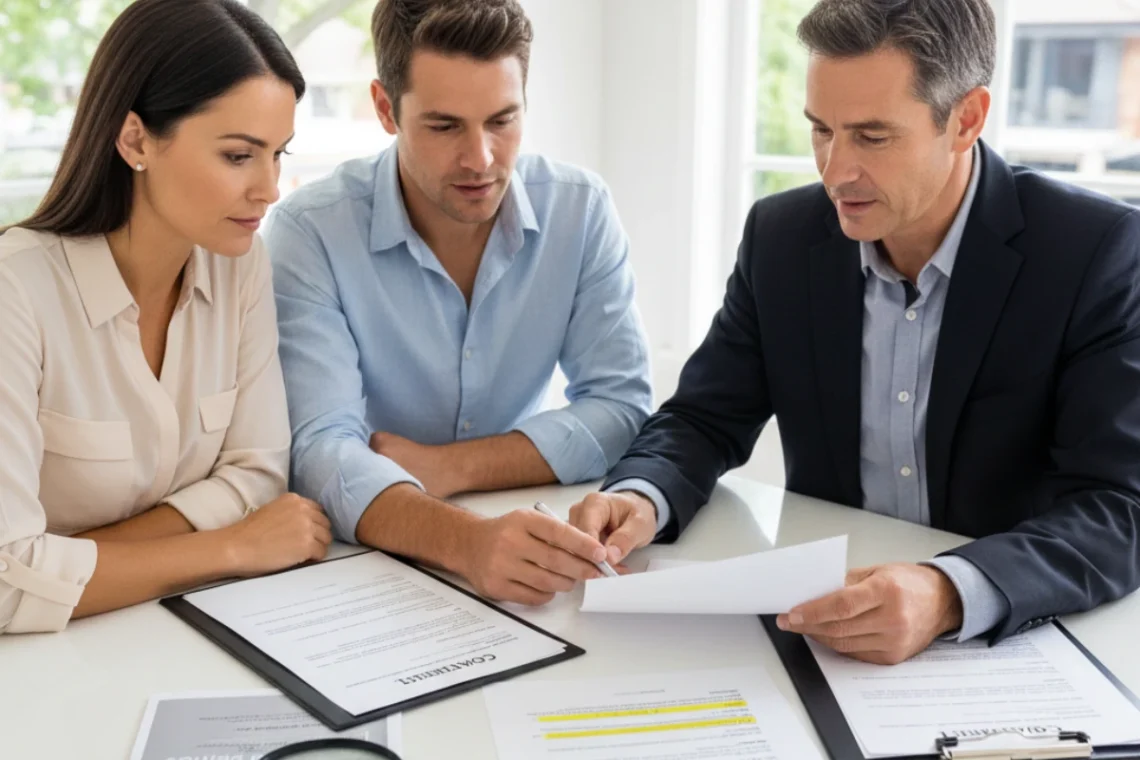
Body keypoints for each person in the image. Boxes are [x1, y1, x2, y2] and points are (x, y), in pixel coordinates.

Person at [571, 0, 1140, 664]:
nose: (835, 171)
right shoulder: (781, 239)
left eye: (872, 137)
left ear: (966, 119)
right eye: (820, 130)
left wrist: (948, 591)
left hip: (1011, 637)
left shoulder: (1093, 252)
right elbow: (704, 418)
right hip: (825, 628)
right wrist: (641, 495)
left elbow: (1119, 504)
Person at [267, 0, 651, 607]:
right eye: (444, 127)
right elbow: (319, 449)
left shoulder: (580, 210)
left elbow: (620, 406)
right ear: (385, 108)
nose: (481, 159)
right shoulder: (310, 231)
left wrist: (454, 467)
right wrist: (465, 542)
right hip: (362, 568)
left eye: (503, 120)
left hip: (531, 551)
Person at [0, 0, 333, 635]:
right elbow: (3, 583)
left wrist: (78, 559)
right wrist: (231, 547)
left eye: (279, 154)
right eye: (239, 156)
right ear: (135, 140)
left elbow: (259, 474)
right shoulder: (14, 291)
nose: (269, 188)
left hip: (175, 629)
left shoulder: (240, 264)